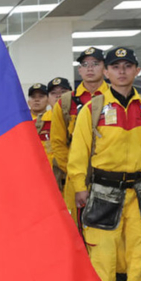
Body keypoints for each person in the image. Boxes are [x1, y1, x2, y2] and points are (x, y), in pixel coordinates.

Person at [69, 46, 141, 281]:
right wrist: (79, 188)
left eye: (127, 66)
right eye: (115, 66)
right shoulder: (92, 108)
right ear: (106, 72)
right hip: (104, 192)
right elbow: (79, 153)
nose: (121, 71)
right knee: (102, 255)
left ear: (137, 71)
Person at [50, 47, 110, 225]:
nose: (90, 68)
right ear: (80, 70)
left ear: (105, 69)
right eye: (85, 64)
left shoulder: (114, 98)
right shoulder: (66, 103)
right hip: (77, 180)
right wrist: (76, 172)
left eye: (95, 64)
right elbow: (58, 143)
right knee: (76, 227)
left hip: (109, 178)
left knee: (109, 228)